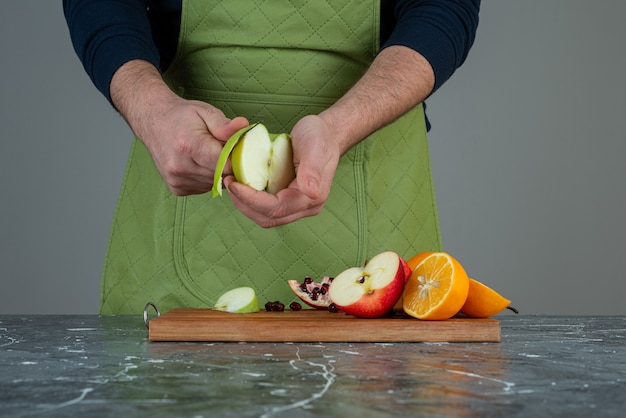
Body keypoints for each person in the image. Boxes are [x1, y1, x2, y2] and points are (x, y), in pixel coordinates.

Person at [63, 0, 481, 315]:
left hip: (376, 191)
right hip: (181, 187)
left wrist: (338, 129)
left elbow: (442, 9)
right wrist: (152, 111)